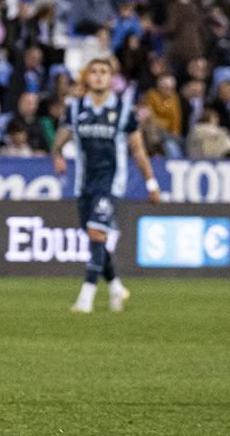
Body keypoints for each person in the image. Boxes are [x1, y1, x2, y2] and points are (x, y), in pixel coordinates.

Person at [51, 59, 160, 314]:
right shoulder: (75, 107)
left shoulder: (123, 111)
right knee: (94, 238)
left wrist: (151, 182)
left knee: (96, 234)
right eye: (94, 72)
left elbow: (138, 149)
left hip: (111, 183)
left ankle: (85, 299)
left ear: (112, 79)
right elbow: (60, 138)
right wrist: (56, 155)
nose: (99, 77)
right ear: (87, 77)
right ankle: (115, 287)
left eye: (104, 72)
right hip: (84, 184)